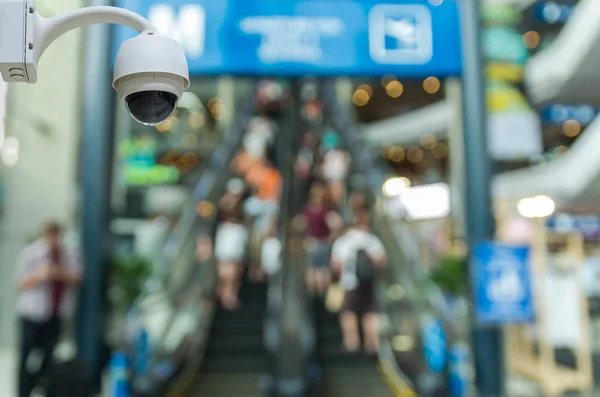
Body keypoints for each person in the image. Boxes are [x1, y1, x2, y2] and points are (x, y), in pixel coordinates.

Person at [16, 222, 82, 397]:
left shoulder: (68, 254)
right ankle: (23, 391)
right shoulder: (31, 253)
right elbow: (21, 283)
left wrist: (58, 272)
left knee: (48, 355)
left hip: (55, 314)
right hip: (31, 314)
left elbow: (77, 279)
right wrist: (41, 274)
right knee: (26, 356)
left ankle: (40, 387)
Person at [330, 209, 386, 354]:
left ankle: (351, 343)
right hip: (369, 283)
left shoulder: (343, 241)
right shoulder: (371, 239)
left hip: (349, 283)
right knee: (371, 312)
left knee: (348, 312)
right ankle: (372, 344)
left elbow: (336, 265)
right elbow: (382, 261)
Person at [297, 183, 340, 295]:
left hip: (311, 242)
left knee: (311, 269)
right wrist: (331, 237)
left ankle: (312, 297)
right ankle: (322, 295)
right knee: (323, 269)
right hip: (323, 242)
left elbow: (299, 224)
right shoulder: (325, 210)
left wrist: (305, 236)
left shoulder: (307, 210)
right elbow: (336, 224)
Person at [214, 196, 248, 311]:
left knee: (232, 275)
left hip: (233, 252)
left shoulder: (239, 227)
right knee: (225, 274)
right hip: (225, 252)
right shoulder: (222, 226)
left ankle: (229, 296)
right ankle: (224, 295)